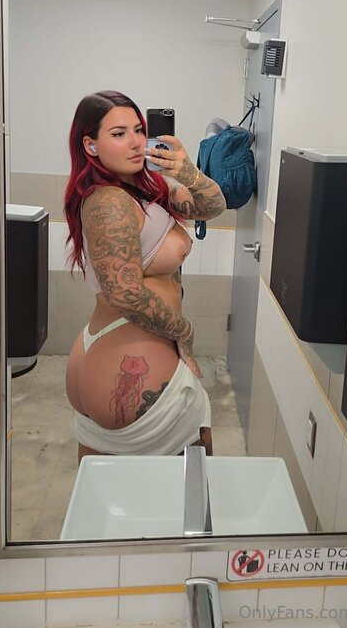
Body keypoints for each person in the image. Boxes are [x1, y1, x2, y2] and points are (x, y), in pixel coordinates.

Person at [64, 90, 226, 461]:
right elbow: (125, 294)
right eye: (119, 133)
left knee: (105, 490)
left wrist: (186, 171)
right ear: (90, 145)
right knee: (187, 488)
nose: (136, 142)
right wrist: (184, 332)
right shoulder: (109, 201)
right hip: (129, 352)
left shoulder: (147, 186)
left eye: (139, 130)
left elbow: (213, 205)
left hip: (113, 351)